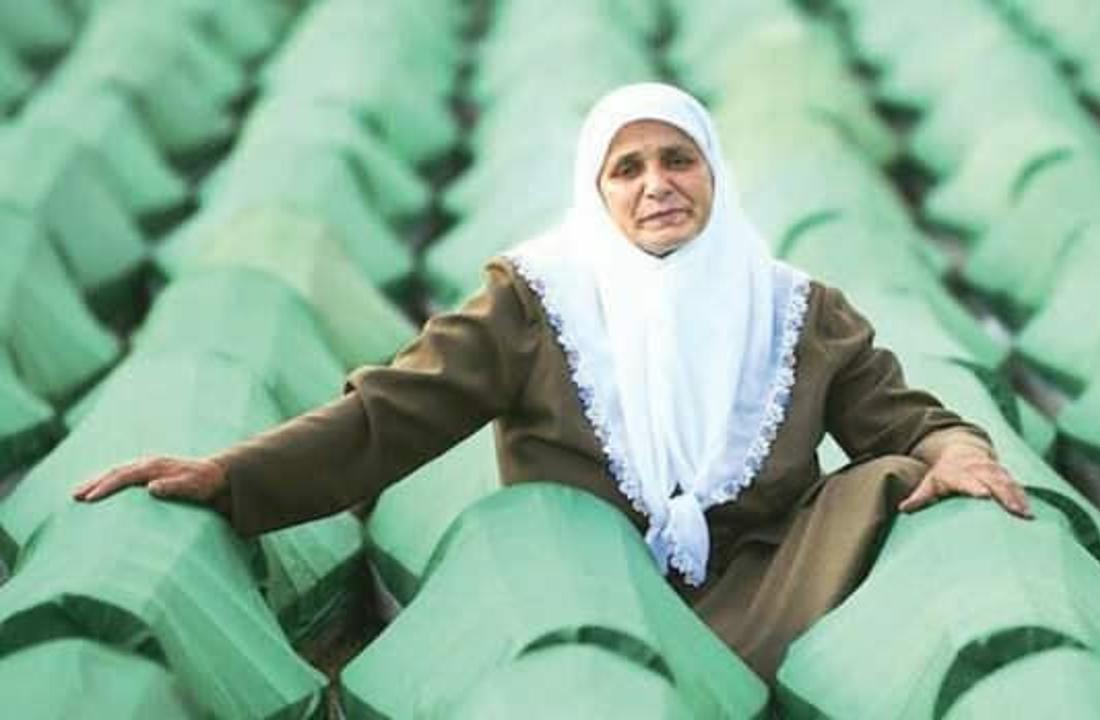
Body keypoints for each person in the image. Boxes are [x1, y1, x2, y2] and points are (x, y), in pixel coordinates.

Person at [74, 82, 1031, 680]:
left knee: (902, 482)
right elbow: (390, 417)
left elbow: (905, 421)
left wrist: (961, 451)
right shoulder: (537, 302)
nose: (657, 184)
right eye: (628, 168)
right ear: (597, 191)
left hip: (767, 576)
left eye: (677, 160)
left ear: (713, 175)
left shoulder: (795, 308)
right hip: (588, 580)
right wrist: (231, 477)